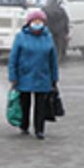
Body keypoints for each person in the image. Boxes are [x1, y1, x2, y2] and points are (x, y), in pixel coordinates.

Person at [8, 8, 59, 140]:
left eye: (39, 21)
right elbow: (13, 59)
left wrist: (54, 78)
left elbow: (53, 60)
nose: (37, 23)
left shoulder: (48, 37)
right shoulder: (21, 37)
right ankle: (24, 126)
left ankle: (39, 130)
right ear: (29, 22)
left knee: (40, 106)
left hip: (43, 77)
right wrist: (13, 77)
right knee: (25, 103)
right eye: (34, 21)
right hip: (24, 77)